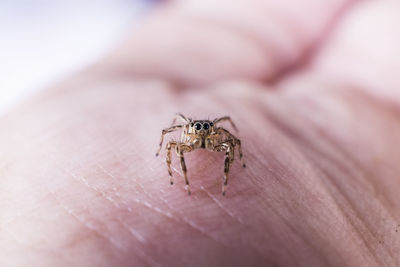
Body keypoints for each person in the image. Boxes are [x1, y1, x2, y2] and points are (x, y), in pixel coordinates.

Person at [1, 0, 399, 266]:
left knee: (230, 141)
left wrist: (236, 158)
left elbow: (231, 135)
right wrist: (172, 166)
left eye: (206, 132)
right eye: (199, 132)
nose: (205, 137)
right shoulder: (183, 133)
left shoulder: (218, 132)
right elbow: (171, 134)